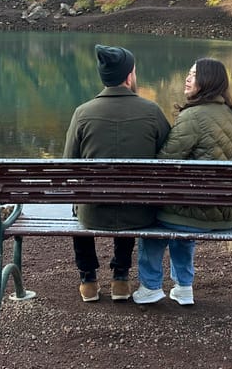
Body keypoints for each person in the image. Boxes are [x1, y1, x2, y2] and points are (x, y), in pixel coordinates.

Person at [133, 57, 232, 306]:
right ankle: (183, 287)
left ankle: (150, 286)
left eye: (194, 74)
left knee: (156, 219)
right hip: (228, 213)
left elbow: (165, 162)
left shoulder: (194, 116)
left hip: (200, 213)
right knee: (182, 212)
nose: (187, 78)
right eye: (188, 73)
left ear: (208, 81)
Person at [63, 44, 171, 302]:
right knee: (130, 191)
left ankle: (88, 279)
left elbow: (68, 164)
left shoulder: (82, 113)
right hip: (138, 212)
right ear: (128, 76)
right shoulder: (152, 111)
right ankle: (120, 279)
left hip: (93, 213)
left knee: (80, 200)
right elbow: (169, 161)